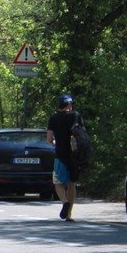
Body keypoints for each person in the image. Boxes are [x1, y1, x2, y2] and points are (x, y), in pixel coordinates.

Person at [46, 93, 84, 222]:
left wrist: (57, 142)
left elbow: (49, 140)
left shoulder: (53, 118)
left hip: (60, 154)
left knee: (58, 183)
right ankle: (69, 214)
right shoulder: (76, 116)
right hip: (74, 155)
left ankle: (64, 202)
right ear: (68, 104)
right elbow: (82, 134)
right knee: (71, 184)